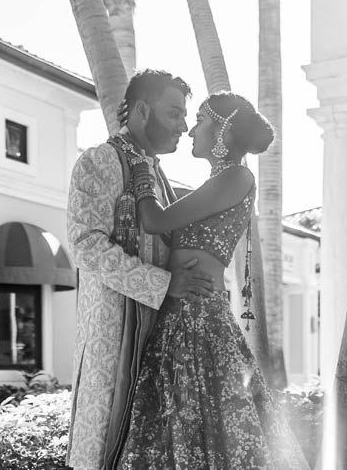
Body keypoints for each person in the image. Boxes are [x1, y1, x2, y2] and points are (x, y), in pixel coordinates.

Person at [115, 92, 308, 469]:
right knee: (176, 430)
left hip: (198, 318)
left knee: (208, 431)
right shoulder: (215, 183)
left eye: (200, 120)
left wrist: (141, 169)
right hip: (179, 312)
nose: (190, 130)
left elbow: (155, 220)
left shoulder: (237, 176)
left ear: (222, 130)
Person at [65, 70, 216, 470]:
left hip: (158, 339)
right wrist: (165, 285)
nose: (184, 127)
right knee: (106, 449)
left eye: (185, 117)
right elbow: (87, 245)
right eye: (174, 114)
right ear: (142, 110)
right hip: (115, 339)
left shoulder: (157, 175)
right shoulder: (100, 160)